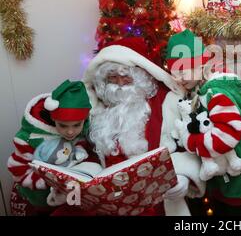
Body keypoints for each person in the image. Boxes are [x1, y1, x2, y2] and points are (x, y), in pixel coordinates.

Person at [82, 37, 205, 215]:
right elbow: (85, 152)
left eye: (125, 77)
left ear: (140, 77)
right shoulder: (97, 106)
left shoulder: (167, 102)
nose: (119, 85)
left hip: (156, 202)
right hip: (109, 203)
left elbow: (190, 145)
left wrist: (183, 175)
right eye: (112, 78)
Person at [165, 29, 241, 216]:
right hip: (221, 174)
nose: (179, 78)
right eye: (174, 72)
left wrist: (192, 142)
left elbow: (227, 135)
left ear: (201, 65)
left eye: (183, 70)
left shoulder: (216, 93)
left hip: (236, 173)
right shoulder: (199, 91)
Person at [7, 80, 92, 215]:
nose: (70, 132)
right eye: (63, 125)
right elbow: (17, 169)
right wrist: (47, 182)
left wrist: (80, 152)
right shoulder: (29, 138)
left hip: (67, 198)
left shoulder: (82, 129)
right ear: (53, 120)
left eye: (77, 125)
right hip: (38, 199)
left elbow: (79, 140)